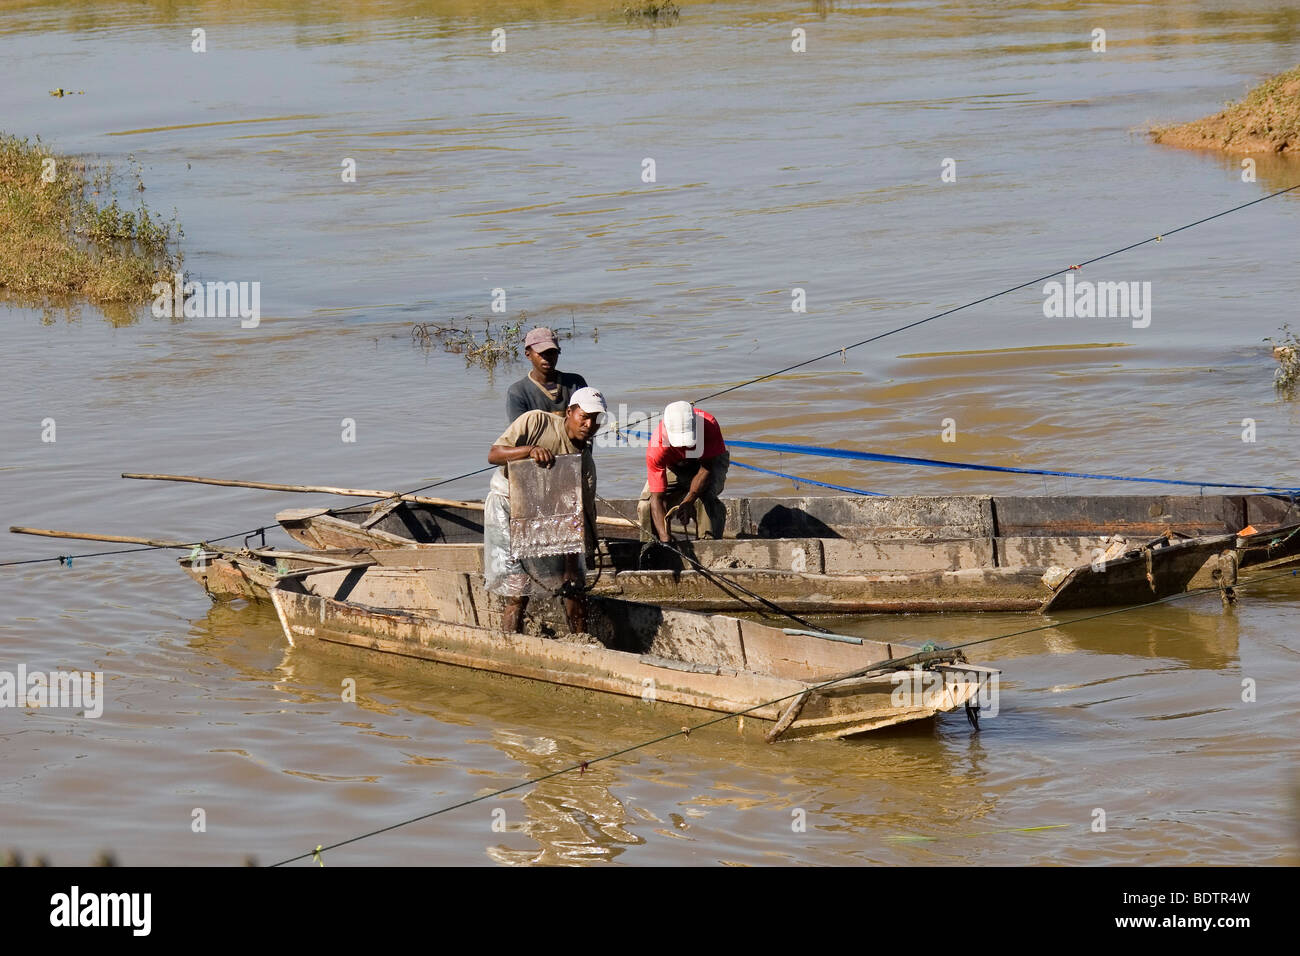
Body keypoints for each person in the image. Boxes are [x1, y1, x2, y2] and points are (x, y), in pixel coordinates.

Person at [485, 386, 607, 635]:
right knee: (518, 587)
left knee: (573, 584)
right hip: (508, 506)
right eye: (584, 416)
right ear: (569, 413)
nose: (589, 424)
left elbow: (577, 515)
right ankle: (510, 641)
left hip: (546, 514)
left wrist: (572, 564)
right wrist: (529, 451)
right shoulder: (536, 421)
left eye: (595, 419)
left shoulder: (584, 461)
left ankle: (581, 641)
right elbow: (494, 455)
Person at [638, 401, 730, 544]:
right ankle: (653, 548)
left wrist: (689, 501)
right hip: (675, 464)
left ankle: (708, 544)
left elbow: (706, 469)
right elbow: (657, 497)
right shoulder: (657, 448)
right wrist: (665, 538)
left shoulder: (709, 425)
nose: (685, 446)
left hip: (707, 461)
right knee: (646, 505)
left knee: (706, 498)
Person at [505, 327, 588, 422]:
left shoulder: (575, 383)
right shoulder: (518, 392)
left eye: (551, 352)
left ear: (558, 353)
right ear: (528, 354)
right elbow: (520, 431)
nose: (547, 357)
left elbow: (586, 422)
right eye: (541, 353)